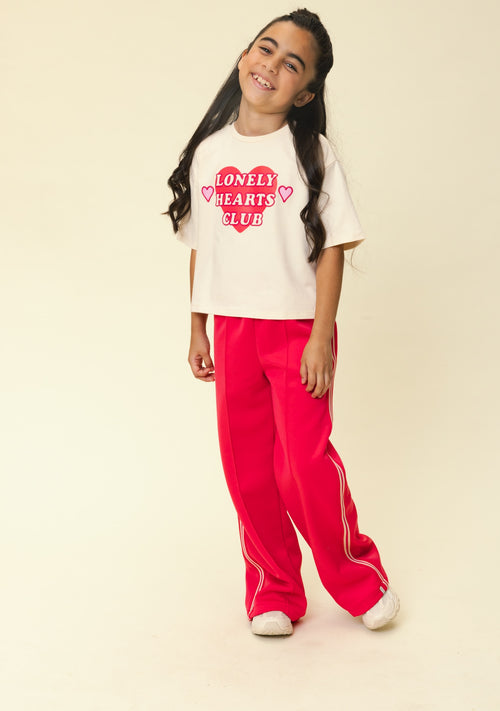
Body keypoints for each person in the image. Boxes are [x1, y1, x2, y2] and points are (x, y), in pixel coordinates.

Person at [165, 8, 400, 636]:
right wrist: (198, 327)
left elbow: (333, 248)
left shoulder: (310, 153)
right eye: (265, 49)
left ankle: (358, 578)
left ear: (306, 92)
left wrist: (321, 336)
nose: (270, 65)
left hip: (296, 331)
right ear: (244, 56)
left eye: (291, 63)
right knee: (246, 468)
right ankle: (273, 589)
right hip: (234, 330)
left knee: (304, 466)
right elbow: (204, 247)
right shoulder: (210, 153)